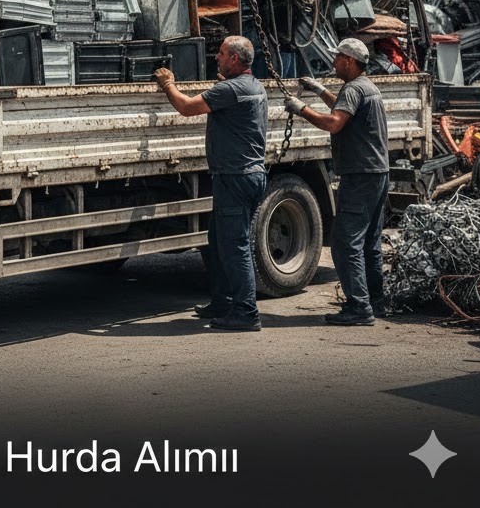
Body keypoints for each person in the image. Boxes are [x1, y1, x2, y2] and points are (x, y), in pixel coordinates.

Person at [154, 35, 269, 332]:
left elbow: (187, 107)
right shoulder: (253, 86)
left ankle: (246, 312)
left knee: (235, 246)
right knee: (218, 242)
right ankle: (222, 301)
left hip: (235, 177)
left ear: (234, 59)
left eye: (220, 53)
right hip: (247, 175)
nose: (215, 57)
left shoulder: (230, 89)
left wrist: (168, 83)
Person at [284, 38, 389, 326]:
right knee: (370, 243)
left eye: (338, 57)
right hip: (376, 172)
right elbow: (343, 108)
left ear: (350, 61)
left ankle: (359, 308)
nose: (334, 61)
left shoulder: (354, 89)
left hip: (360, 175)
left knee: (346, 244)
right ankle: (375, 301)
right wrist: (319, 91)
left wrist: (301, 109)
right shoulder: (366, 87)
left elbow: (334, 123)